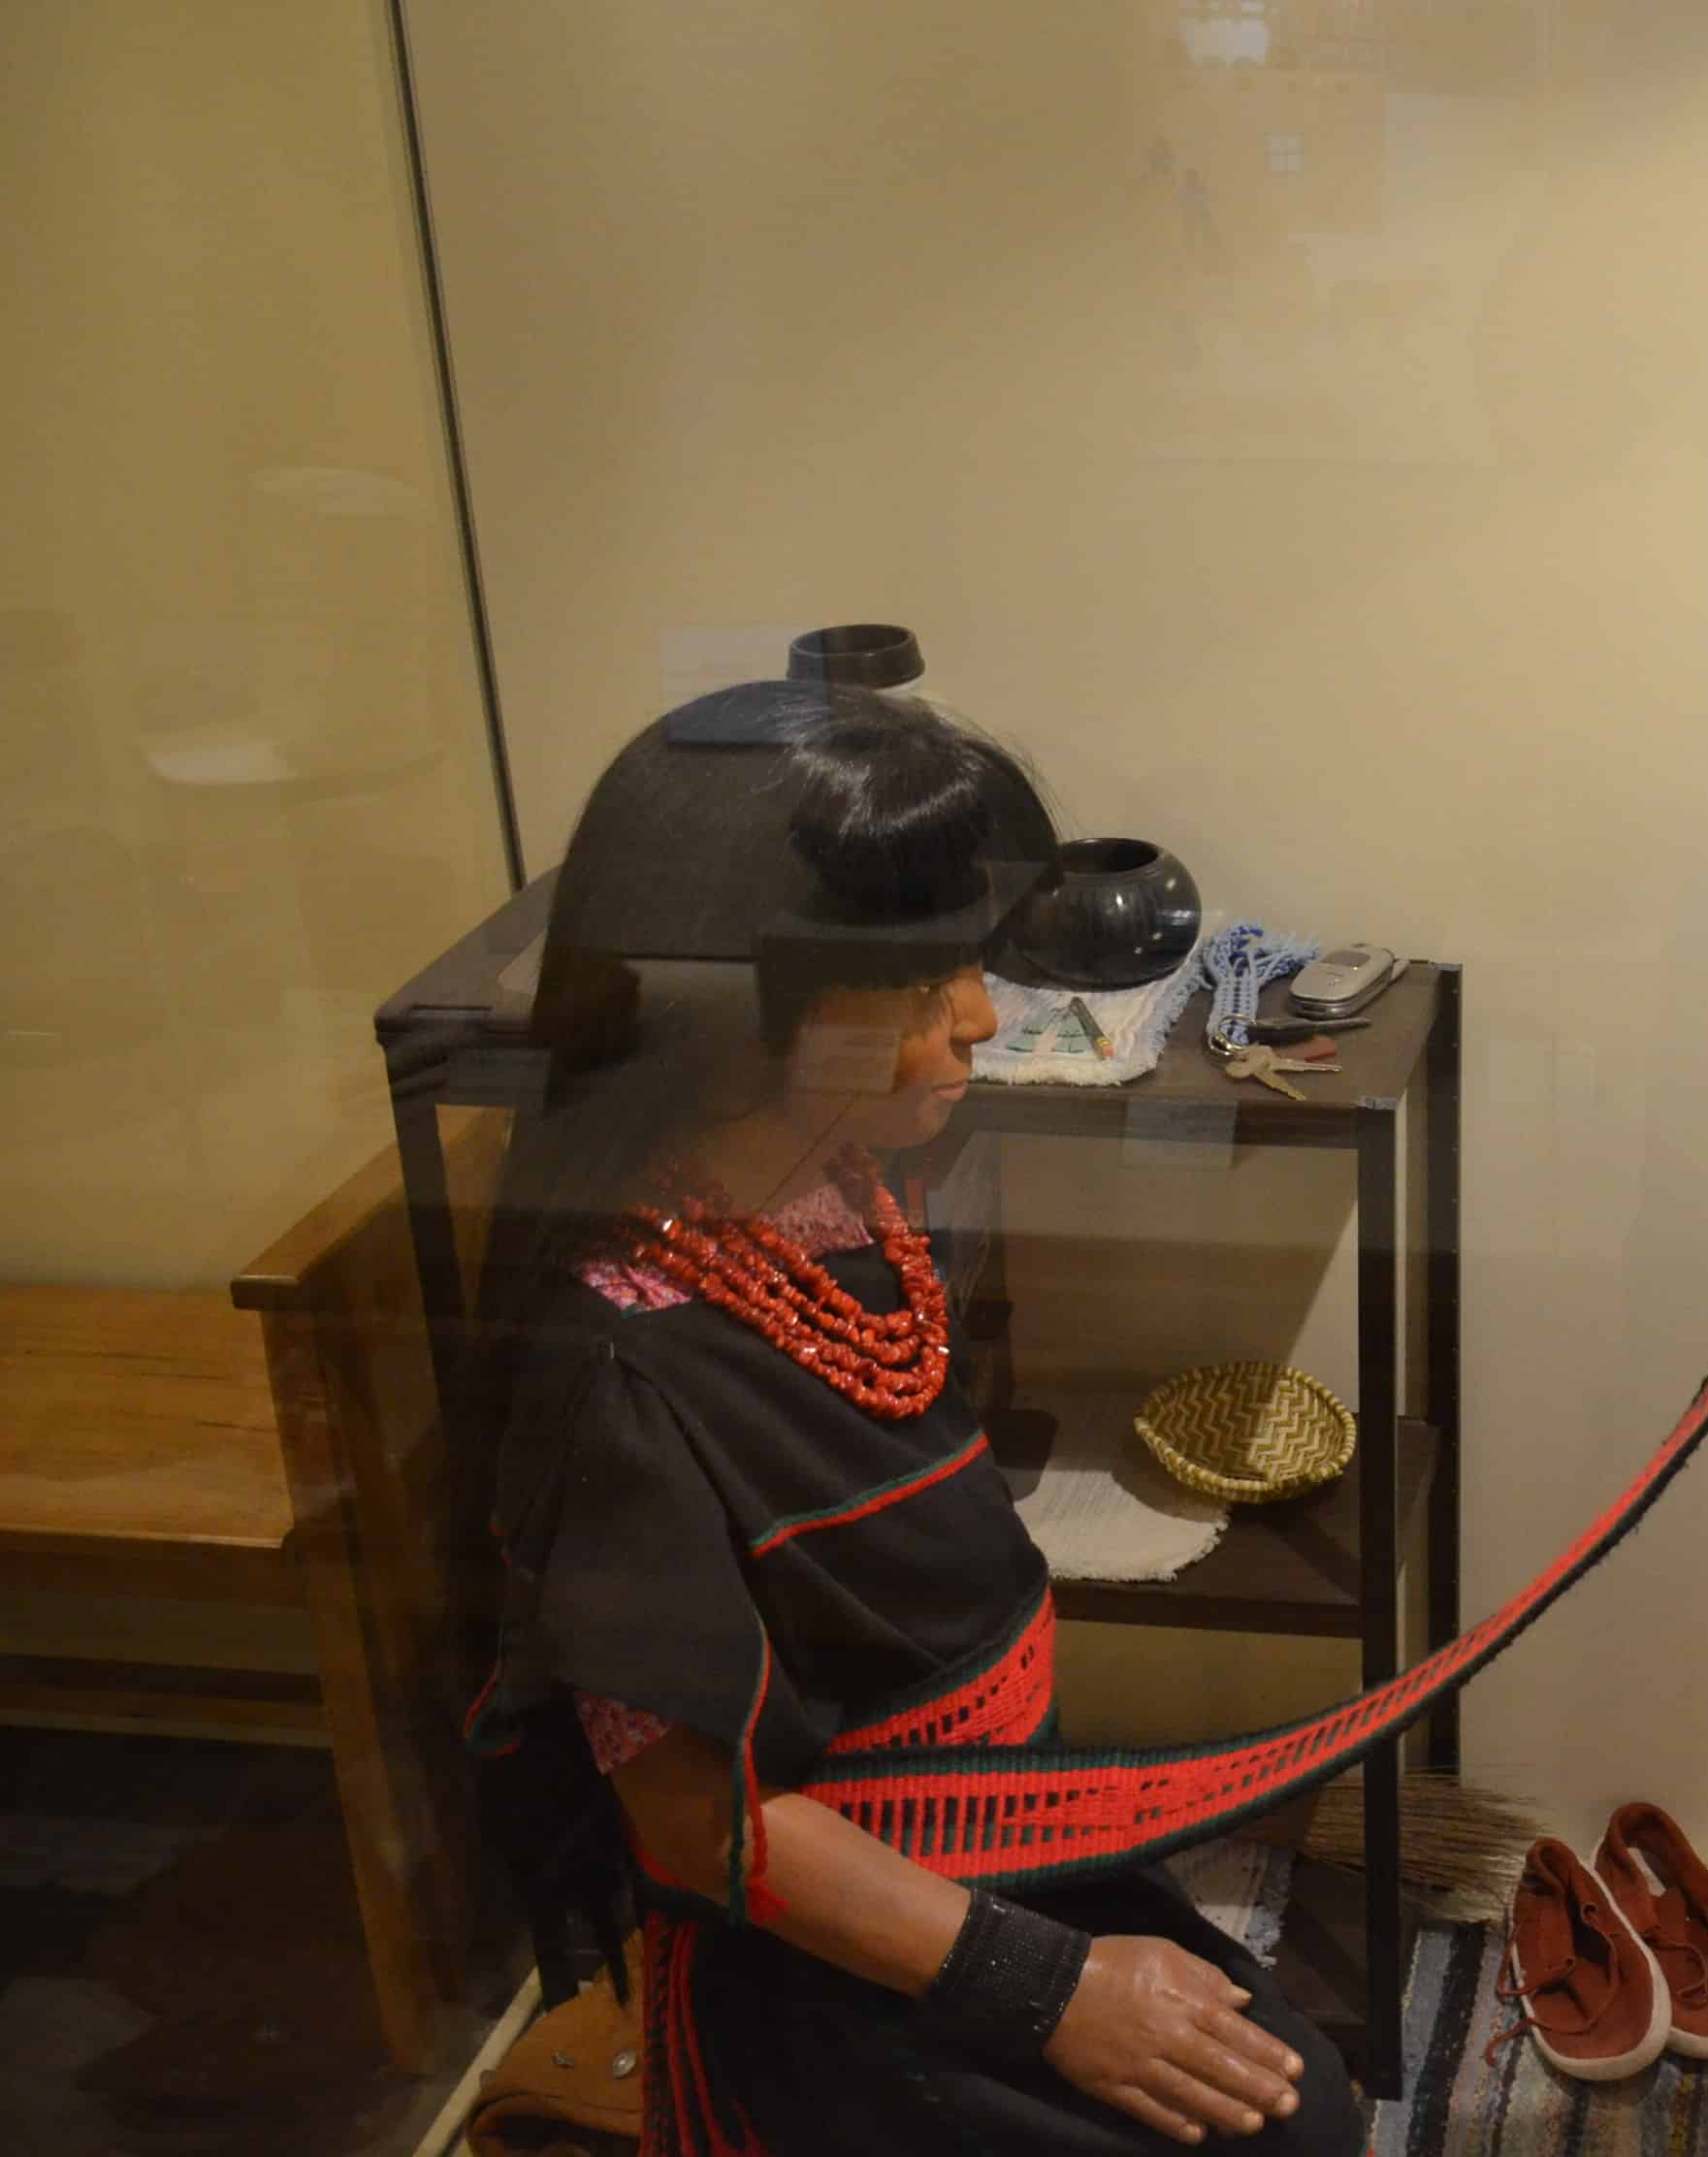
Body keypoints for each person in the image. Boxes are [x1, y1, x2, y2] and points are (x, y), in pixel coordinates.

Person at [464, 680, 1363, 2155]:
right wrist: (1052, 1991)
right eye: (920, 980)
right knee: (1290, 2131)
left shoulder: (833, 1197)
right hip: (833, 1950)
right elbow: (700, 1827)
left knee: (1298, 2102)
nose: (980, 1017)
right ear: (743, 1006)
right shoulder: (621, 1372)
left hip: (994, 1835)